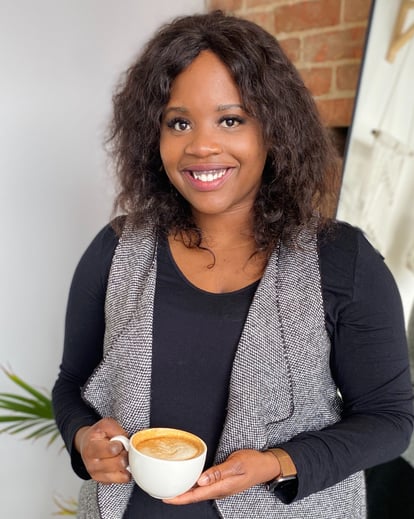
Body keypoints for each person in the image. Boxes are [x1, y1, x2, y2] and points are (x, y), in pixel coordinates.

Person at [52, 10, 413, 519]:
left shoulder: (340, 259)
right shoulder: (117, 251)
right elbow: (71, 387)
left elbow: (390, 419)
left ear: (273, 129)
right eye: (179, 122)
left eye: (230, 119)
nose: (200, 145)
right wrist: (83, 436)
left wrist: (277, 463)